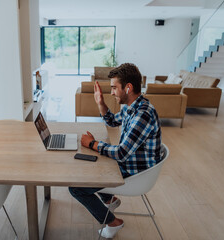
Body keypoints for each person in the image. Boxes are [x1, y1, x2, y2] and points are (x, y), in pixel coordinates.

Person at [69, 63, 162, 238]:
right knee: (91, 165)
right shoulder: (132, 106)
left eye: (114, 88)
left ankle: (113, 222)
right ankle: (109, 199)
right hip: (131, 162)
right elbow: (112, 121)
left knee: (75, 188)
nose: (111, 92)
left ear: (128, 88)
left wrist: (92, 144)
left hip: (136, 172)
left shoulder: (143, 114)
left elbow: (121, 153)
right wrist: (100, 103)